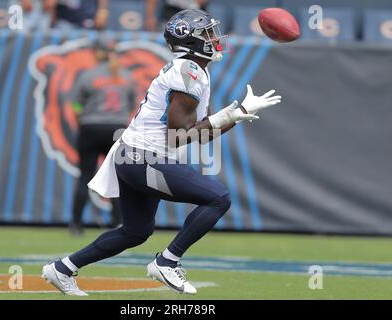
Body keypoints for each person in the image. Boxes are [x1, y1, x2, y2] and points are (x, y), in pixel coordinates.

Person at [42, 9, 281, 296]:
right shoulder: (189, 71)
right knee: (219, 198)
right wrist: (231, 114)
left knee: (135, 231)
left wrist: (236, 115)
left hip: (134, 156)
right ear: (190, 41)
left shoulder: (192, 70)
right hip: (143, 157)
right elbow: (178, 135)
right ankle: (167, 261)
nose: (214, 38)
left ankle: (62, 269)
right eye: (206, 33)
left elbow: (200, 134)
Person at [69, 39, 136, 236]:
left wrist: (82, 117)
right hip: (116, 128)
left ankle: (76, 224)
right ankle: (118, 223)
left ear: (98, 53)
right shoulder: (126, 76)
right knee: (116, 178)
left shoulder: (88, 75)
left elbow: (76, 105)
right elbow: (132, 105)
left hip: (90, 127)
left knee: (85, 176)